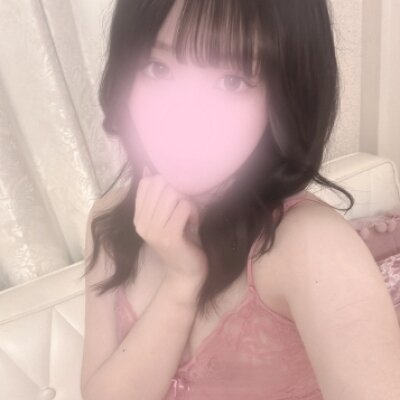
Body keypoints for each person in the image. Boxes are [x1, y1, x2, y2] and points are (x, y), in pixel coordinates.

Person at [80, 1, 400, 399]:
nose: (187, 116)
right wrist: (182, 282)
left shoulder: (312, 248)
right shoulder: (108, 223)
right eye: (157, 68)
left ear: (285, 95)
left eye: (232, 81)